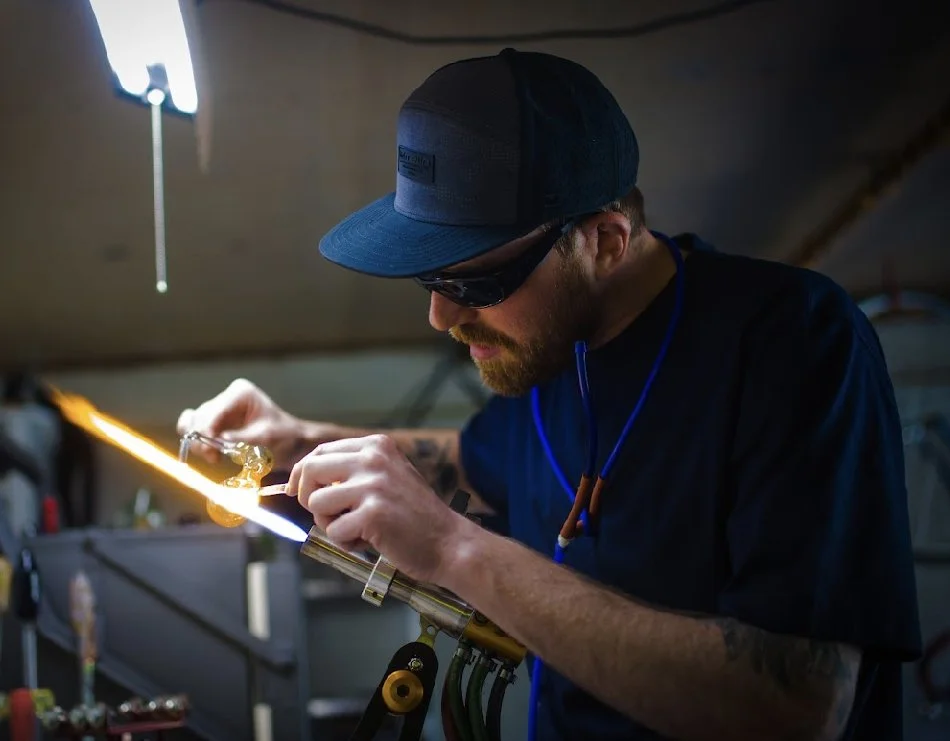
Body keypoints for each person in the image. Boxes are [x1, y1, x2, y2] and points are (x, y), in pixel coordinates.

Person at [177, 49, 921, 741]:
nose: (441, 315)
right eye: (429, 279)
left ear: (602, 240)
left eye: (474, 282)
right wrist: (295, 436)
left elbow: (800, 705)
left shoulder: (790, 342)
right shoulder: (553, 355)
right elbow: (469, 461)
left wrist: (454, 548)